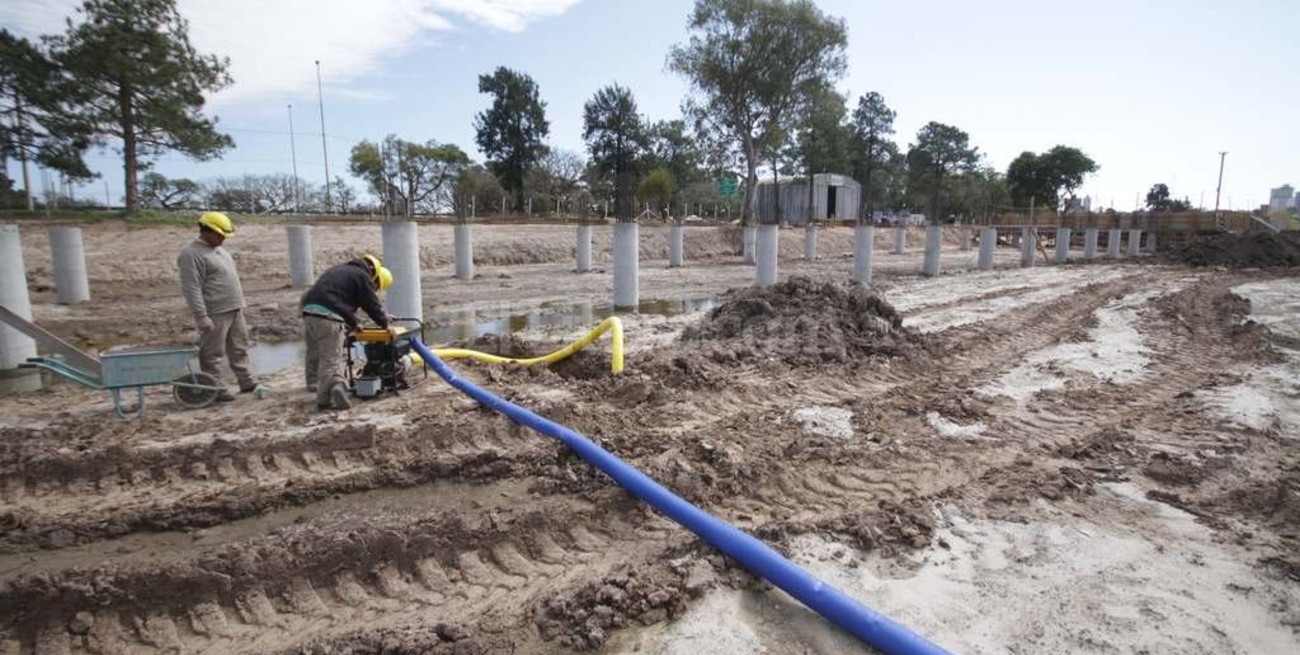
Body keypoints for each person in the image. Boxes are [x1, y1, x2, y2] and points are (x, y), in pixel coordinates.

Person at [177, 211, 260, 402]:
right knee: (212, 353)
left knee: (239, 346)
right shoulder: (191, 255)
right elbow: (192, 287)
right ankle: (215, 388)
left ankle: (246, 380)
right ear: (206, 231)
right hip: (215, 311)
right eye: (220, 235)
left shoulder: (221, 251)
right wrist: (201, 315)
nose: (223, 239)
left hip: (234, 307)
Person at [299, 254, 395, 410]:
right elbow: (370, 304)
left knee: (315, 352)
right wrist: (385, 324)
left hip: (309, 312)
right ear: (375, 276)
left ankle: (314, 383)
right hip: (328, 318)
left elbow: (335, 299)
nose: (375, 289)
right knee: (331, 360)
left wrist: (354, 322)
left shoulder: (341, 270)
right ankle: (326, 398)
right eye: (377, 286)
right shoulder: (363, 276)